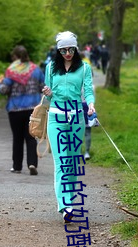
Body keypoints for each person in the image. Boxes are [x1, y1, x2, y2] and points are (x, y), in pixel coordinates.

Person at [42, 31, 95, 222]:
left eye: (71, 49)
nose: (67, 53)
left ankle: (70, 199)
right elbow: (48, 96)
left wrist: (90, 104)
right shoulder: (50, 68)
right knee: (61, 162)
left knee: (72, 162)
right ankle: (64, 205)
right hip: (56, 117)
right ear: (58, 50)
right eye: (63, 50)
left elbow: (88, 90)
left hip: (76, 118)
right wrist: (47, 92)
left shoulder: (84, 68)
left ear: (76, 48)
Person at [0, 45, 45, 175]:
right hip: (32, 109)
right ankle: (32, 163)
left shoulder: (11, 71)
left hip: (15, 109)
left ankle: (17, 166)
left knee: (17, 138)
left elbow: (4, 90)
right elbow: (43, 87)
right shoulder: (36, 70)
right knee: (31, 137)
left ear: (15, 57)